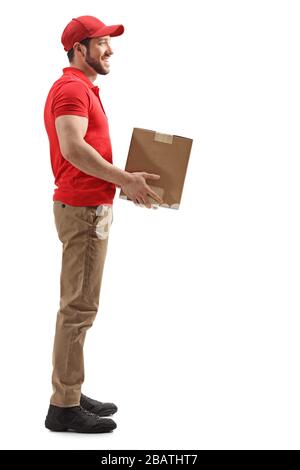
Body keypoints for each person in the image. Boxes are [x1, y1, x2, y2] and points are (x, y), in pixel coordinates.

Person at [43, 15, 163, 433]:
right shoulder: (73, 89)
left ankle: (71, 389)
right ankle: (64, 407)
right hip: (82, 210)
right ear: (80, 49)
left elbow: (85, 151)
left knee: (79, 307)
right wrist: (125, 179)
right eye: (101, 43)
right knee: (77, 309)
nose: (110, 49)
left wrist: (126, 182)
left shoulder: (82, 89)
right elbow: (73, 148)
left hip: (87, 206)